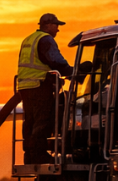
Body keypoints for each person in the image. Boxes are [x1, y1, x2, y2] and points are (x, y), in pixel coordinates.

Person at [16, 13, 74, 164]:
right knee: (43, 120)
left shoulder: (29, 39)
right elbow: (56, 61)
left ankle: (29, 155)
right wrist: (74, 72)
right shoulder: (45, 39)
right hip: (39, 86)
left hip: (24, 86)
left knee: (30, 120)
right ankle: (38, 154)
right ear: (47, 25)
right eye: (56, 26)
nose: (58, 30)